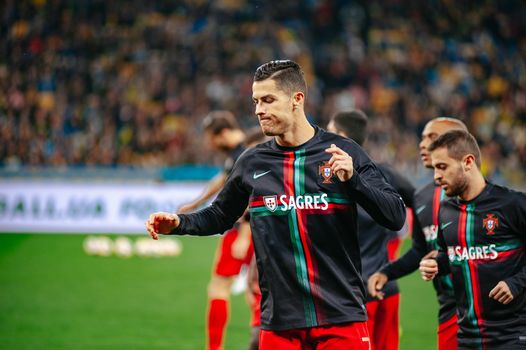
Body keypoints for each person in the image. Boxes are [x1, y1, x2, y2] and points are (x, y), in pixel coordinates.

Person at [146, 59, 406, 349]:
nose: (259, 110)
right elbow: (220, 215)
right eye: (256, 101)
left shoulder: (344, 152)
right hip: (281, 324)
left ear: (297, 99)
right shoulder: (252, 162)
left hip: (341, 318)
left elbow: (394, 215)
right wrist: (180, 223)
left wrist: (354, 180)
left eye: (268, 100)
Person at [419, 129, 526, 350]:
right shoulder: (446, 212)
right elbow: (448, 256)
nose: (436, 176)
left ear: (468, 162)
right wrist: (435, 264)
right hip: (467, 339)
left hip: (512, 336)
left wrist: (516, 282)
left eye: (442, 167)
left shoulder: (512, 204)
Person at [368, 117, 468, 350]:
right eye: (422, 138)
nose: (423, 144)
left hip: (494, 316)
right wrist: (386, 273)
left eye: (432, 137)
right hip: (449, 312)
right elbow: (420, 251)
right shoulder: (422, 198)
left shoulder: (492, 199)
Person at [327, 109, 415, 350]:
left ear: (342, 137)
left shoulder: (326, 178)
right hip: (384, 285)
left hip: (353, 294)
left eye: (329, 132)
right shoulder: (383, 173)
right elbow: (421, 200)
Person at [178, 111, 254, 350]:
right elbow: (223, 180)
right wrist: (194, 204)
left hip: (244, 229)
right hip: (255, 228)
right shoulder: (238, 152)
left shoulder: (246, 151)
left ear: (221, 134)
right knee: (256, 291)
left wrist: (244, 232)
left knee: (220, 288)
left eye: (209, 137)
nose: (208, 143)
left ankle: (215, 348)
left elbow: (256, 191)